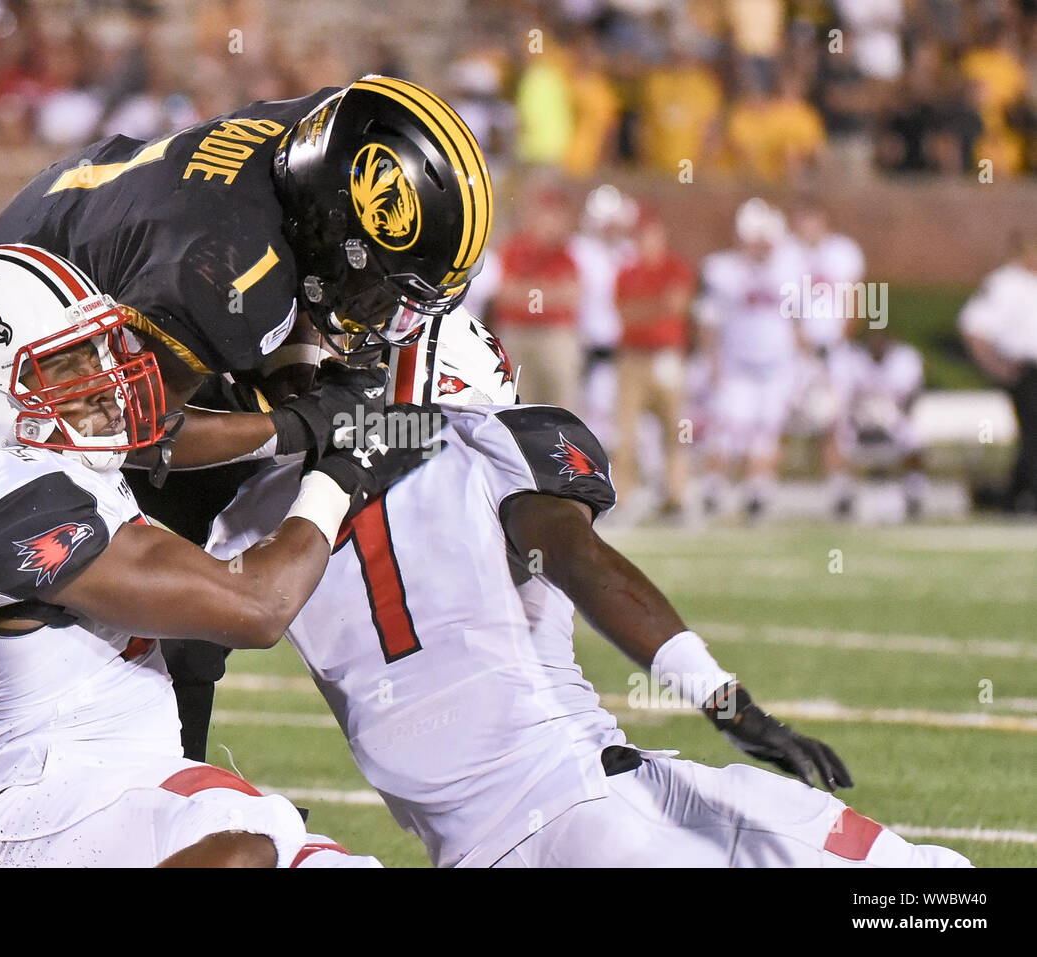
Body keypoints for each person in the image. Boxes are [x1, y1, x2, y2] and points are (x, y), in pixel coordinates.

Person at [206, 310, 971, 869]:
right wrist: (730, 706)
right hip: (588, 804)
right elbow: (579, 560)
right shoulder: (486, 439)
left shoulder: (244, 519)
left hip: (478, 848)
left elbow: (184, 661)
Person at [0, 74, 494, 758]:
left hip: (93, 249)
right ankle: (147, 783)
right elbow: (137, 435)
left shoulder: (319, 141)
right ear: (337, 227)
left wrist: (302, 383)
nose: (377, 314)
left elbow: (291, 281)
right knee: (184, 588)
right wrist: (306, 424)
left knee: (214, 534)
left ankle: (168, 775)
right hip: (15, 369)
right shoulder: (226, 270)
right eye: (376, 285)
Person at [0, 245, 430, 867]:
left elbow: (161, 441)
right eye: (65, 364)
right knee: (241, 853)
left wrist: (305, 418)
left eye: (93, 348)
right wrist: (344, 468)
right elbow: (257, 604)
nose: (102, 376)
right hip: (48, 787)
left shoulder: (3, 433)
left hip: (120, 770)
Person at [696, 198, 805, 519]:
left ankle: (758, 493)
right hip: (737, 365)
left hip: (778, 366)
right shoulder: (722, 270)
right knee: (728, 430)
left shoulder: (790, 267)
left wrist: (808, 363)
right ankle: (713, 489)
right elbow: (708, 321)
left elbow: (797, 322)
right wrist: (711, 361)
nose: (761, 246)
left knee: (766, 433)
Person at [782, 198, 867, 517]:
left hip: (832, 351)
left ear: (824, 221)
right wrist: (796, 338)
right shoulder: (786, 253)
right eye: (802, 219)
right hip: (793, 355)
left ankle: (840, 490)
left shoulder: (843, 252)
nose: (807, 226)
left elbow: (855, 298)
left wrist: (842, 335)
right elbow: (782, 303)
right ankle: (758, 492)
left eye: (812, 219)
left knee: (836, 421)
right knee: (774, 420)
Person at [612, 205, 694, 516]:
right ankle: (622, 497)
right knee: (626, 432)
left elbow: (676, 306)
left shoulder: (675, 268)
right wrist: (655, 309)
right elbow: (625, 314)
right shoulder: (628, 272)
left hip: (667, 357)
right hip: (633, 358)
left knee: (675, 430)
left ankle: (676, 496)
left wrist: (646, 311)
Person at [959, 232, 1037, 514]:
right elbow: (974, 328)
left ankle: (1014, 497)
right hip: (1025, 370)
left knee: (1032, 434)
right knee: (1033, 432)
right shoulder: (1004, 283)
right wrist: (997, 367)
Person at [490, 181, 582, 410]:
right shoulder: (514, 249)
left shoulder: (566, 254)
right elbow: (506, 294)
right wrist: (547, 292)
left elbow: (571, 295)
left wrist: (530, 291)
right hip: (518, 334)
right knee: (518, 404)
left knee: (560, 406)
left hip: (555, 336)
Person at [831, 327, 927, 519]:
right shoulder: (850, 359)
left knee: (913, 436)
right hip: (860, 417)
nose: (877, 342)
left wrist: (891, 416)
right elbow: (844, 399)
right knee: (838, 436)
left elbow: (911, 396)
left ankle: (914, 490)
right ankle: (842, 493)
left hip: (894, 416)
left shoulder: (905, 358)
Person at [568, 184, 635, 447]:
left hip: (625, 349)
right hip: (585, 346)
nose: (612, 228)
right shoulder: (578, 251)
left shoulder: (630, 254)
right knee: (588, 419)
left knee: (625, 422)